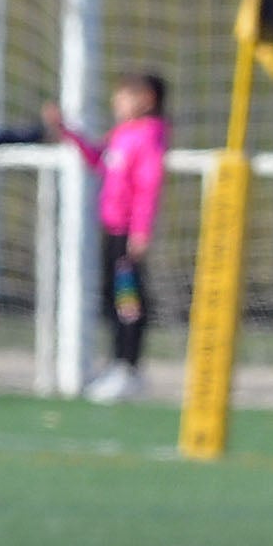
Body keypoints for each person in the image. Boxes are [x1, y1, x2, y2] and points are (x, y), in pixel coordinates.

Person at [43, 72, 172, 404]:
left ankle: (129, 368)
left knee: (128, 300)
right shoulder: (123, 135)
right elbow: (98, 160)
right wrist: (68, 133)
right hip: (114, 230)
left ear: (146, 100)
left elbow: (148, 186)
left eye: (124, 95)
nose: (117, 102)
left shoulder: (149, 137)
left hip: (129, 233)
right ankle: (118, 364)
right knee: (114, 296)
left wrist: (141, 230)